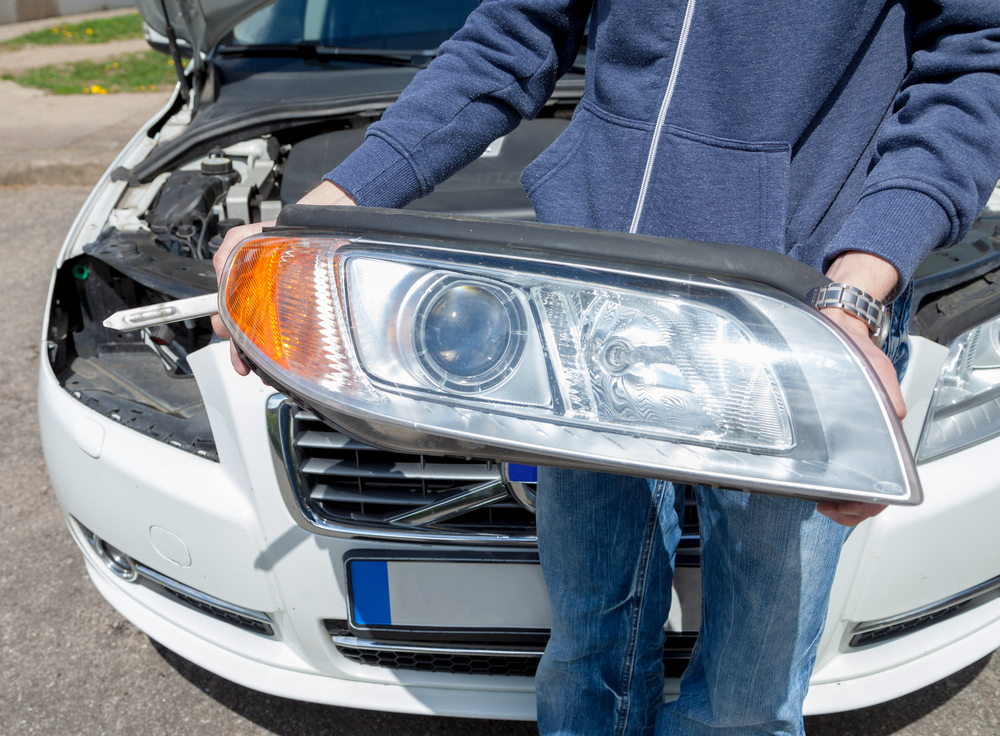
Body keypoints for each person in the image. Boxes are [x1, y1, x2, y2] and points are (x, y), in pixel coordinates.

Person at [212, 1, 1000, 733]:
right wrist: (317, 214)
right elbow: (515, 31)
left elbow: (976, 54)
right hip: (587, 300)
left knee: (745, 699)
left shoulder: (825, 307)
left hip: (796, 311)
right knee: (590, 651)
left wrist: (859, 285)